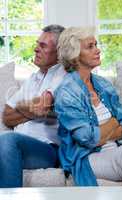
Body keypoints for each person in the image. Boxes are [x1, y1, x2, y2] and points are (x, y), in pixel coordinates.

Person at [54, 27, 122, 186]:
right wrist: (112, 123)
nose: (97, 50)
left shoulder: (103, 84)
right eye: (90, 46)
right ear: (74, 55)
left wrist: (102, 133)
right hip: (87, 159)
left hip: (114, 151)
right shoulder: (66, 92)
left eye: (96, 45)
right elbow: (87, 139)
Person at [1, 24, 66, 188]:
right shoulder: (33, 78)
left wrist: (25, 108)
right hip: (20, 145)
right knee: (8, 142)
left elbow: (41, 107)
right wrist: (33, 110)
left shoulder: (64, 75)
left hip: (47, 149)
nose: (36, 49)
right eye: (37, 44)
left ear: (59, 52)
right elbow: (7, 115)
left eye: (43, 46)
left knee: (8, 140)